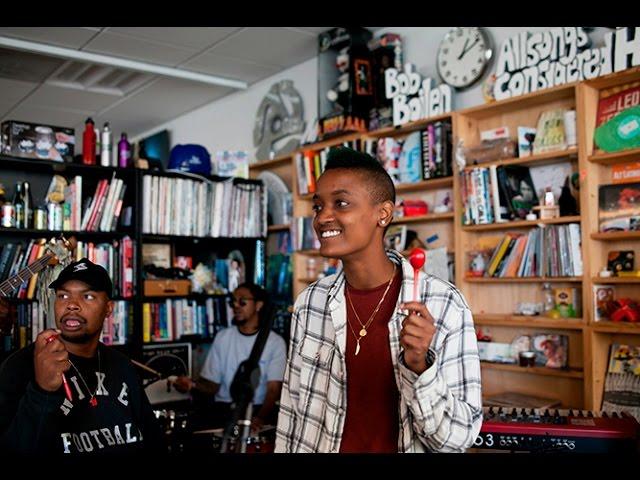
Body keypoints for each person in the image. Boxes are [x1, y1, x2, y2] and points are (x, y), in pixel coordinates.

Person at [275, 147, 482, 453]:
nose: (322, 218)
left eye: (340, 203)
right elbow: (292, 412)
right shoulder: (310, 303)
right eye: (318, 206)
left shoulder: (444, 304)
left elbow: (456, 438)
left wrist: (420, 366)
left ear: (383, 214)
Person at [0, 258, 164, 455]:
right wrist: (42, 392)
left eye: (87, 296)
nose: (72, 305)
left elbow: (154, 442)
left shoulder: (122, 365)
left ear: (108, 309)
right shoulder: (20, 366)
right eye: (63, 296)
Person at [173, 282, 286, 433]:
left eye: (242, 301)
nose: (236, 306)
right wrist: (191, 385)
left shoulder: (275, 342)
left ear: (258, 305)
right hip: (224, 410)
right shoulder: (223, 337)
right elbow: (212, 385)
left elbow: (273, 389)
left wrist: (260, 418)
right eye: (233, 301)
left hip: (256, 410)